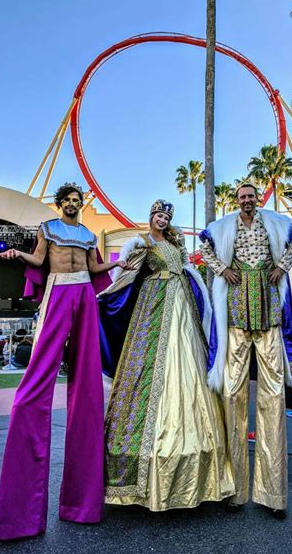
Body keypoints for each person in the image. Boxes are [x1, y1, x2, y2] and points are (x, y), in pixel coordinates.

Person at [0, 182, 122, 544]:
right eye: (70, 200)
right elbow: (40, 260)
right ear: (60, 203)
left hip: (84, 295)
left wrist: (121, 263)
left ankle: (83, 506)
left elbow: (95, 268)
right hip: (59, 291)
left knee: (88, 387)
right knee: (33, 389)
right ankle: (20, 517)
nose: (75, 204)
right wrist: (18, 253)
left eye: (79, 200)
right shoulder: (48, 229)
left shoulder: (90, 234)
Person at [99, 200, 234, 511]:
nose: (162, 220)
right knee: (148, 371)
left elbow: (187, 273)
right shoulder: (142, 243)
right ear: (150, 218)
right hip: (154, 306)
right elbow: (127, 277)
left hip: (182, 306)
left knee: (190, 365)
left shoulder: (174, 244)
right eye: (158, 215)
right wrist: (106, 294)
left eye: (166, 217)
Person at [199, 182, 292, 518]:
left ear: (257, 200)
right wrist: (221, 269)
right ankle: (235, 490)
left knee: (273, 398)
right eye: (242, 197)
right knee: (233, 396)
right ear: (236, 201)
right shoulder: (224, 227)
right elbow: (206, 248)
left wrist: (282, 267)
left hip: (269, 312)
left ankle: (274, 496)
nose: (246, 201)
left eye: (250, 196)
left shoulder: (272, 222)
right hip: (236, 315)